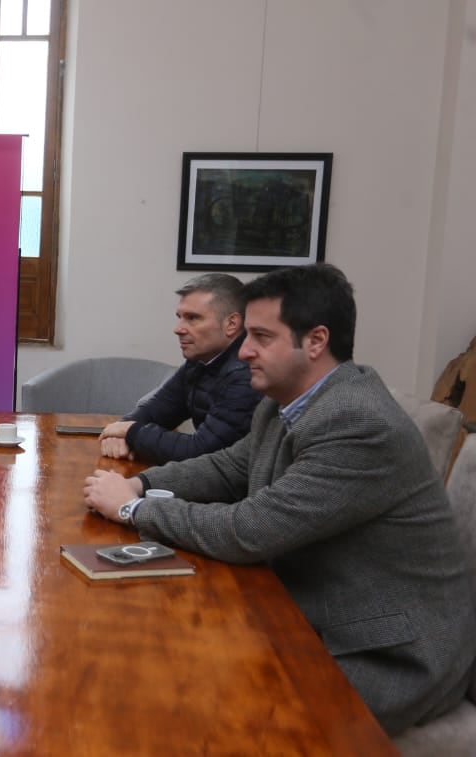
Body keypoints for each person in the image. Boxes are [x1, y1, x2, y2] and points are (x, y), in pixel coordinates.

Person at [83, 264, 476, 735]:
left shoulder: (358, 423)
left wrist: (132, 509)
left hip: (388, 655)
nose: (244, 351)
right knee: (158, 659)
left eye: (261, 337)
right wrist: (140, 485)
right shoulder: (285, 397)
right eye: (247, 334)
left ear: (315, 342)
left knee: (188, 705)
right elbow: (229, 467)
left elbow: (249, 531)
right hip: (312, 611)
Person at [99, 273, 261, 463]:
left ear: (231, 324)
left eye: (192, 318)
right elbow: (153, 412)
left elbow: (200, 452)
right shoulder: (200, 360)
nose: (178, 328)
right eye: (180, 317)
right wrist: (121, 432)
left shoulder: (247, 374)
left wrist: (130, 432)